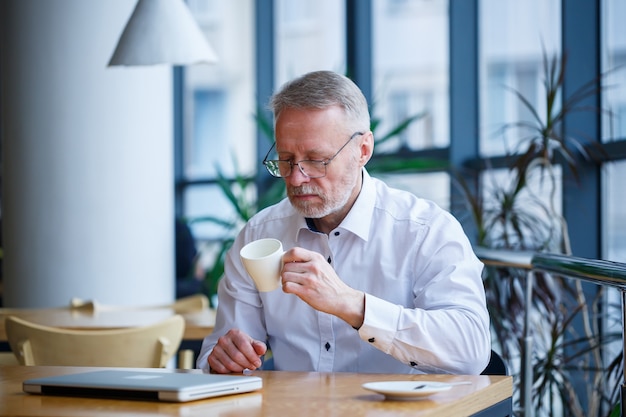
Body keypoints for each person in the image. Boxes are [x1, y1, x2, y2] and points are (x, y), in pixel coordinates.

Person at [197, 70, 490, 375]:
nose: (297, 177)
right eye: (286, 159)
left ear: (363, 150)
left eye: (316, 160)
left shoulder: (425, 231)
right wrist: (223, 359)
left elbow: (470, 349)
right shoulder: (258, 237)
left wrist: (352, 304)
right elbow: (219, 356)